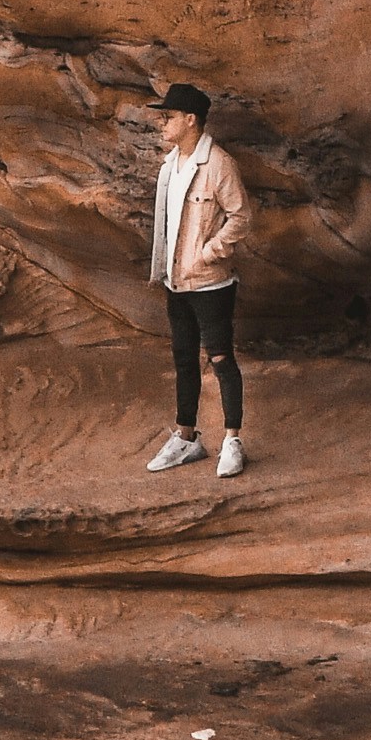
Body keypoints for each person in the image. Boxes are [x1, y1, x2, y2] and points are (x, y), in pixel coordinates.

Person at [143, 81, 252, 477]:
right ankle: (187, 438)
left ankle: (232, 441)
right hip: (176, 282)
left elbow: (241, 217)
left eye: (169, 117)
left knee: (221, 359)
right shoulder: (170, 165)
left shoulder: (218, 164)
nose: (162, 123)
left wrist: (209, 252)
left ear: (191, 120)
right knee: (184, 359)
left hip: (210, 283)